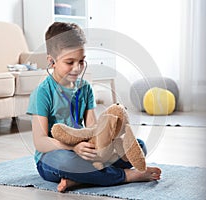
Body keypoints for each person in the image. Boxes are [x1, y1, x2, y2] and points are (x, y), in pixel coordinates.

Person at [27, 22, 161, 192]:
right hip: (53, 156)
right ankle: (126, 176)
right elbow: (40, 142)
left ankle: (79, 180)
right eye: (70, 62)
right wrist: (73, 147)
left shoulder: (86, 88)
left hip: (86, 152)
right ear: (51, 61)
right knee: (65, 162)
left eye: (81, 61)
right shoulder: (42, 93)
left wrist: (103, 141)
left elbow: (92, 128)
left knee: (138, 146)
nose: (77, 68)